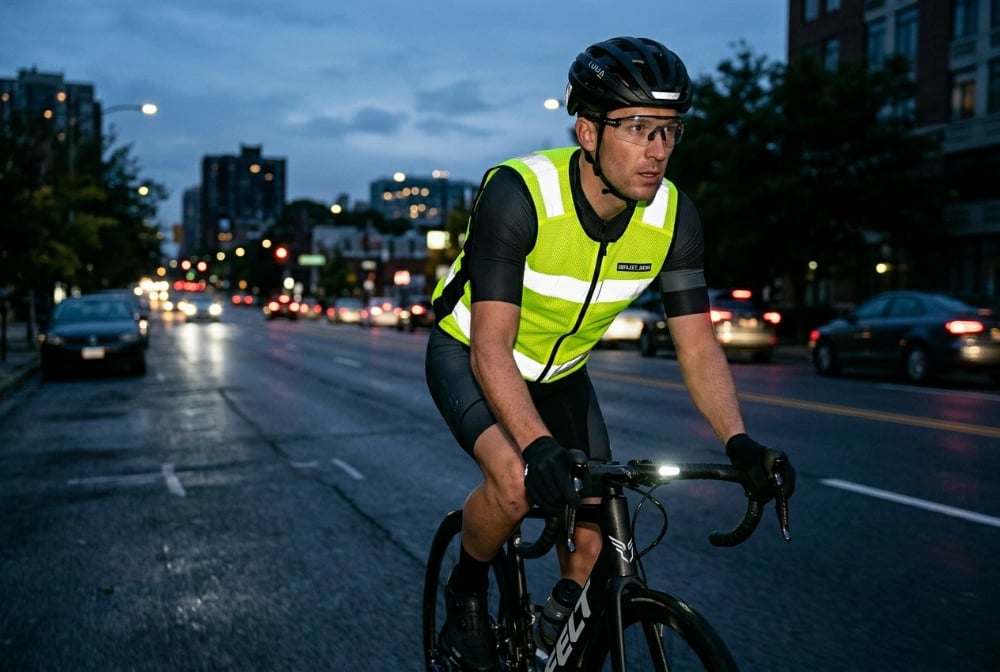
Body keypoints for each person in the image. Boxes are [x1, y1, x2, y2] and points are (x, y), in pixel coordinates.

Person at [425, 36, 796, 671]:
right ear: (588, 132)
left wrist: (738, 441)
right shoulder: (520, 194)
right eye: (636, 129)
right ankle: (464, 598)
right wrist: (536, 446)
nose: (658, 151)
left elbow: (698, 343)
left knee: (602, 526)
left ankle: (558, 620)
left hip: (562, 375)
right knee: (515, 486)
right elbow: (492, 346)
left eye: (669, 130)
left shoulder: (673, 216)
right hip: (471, 359)